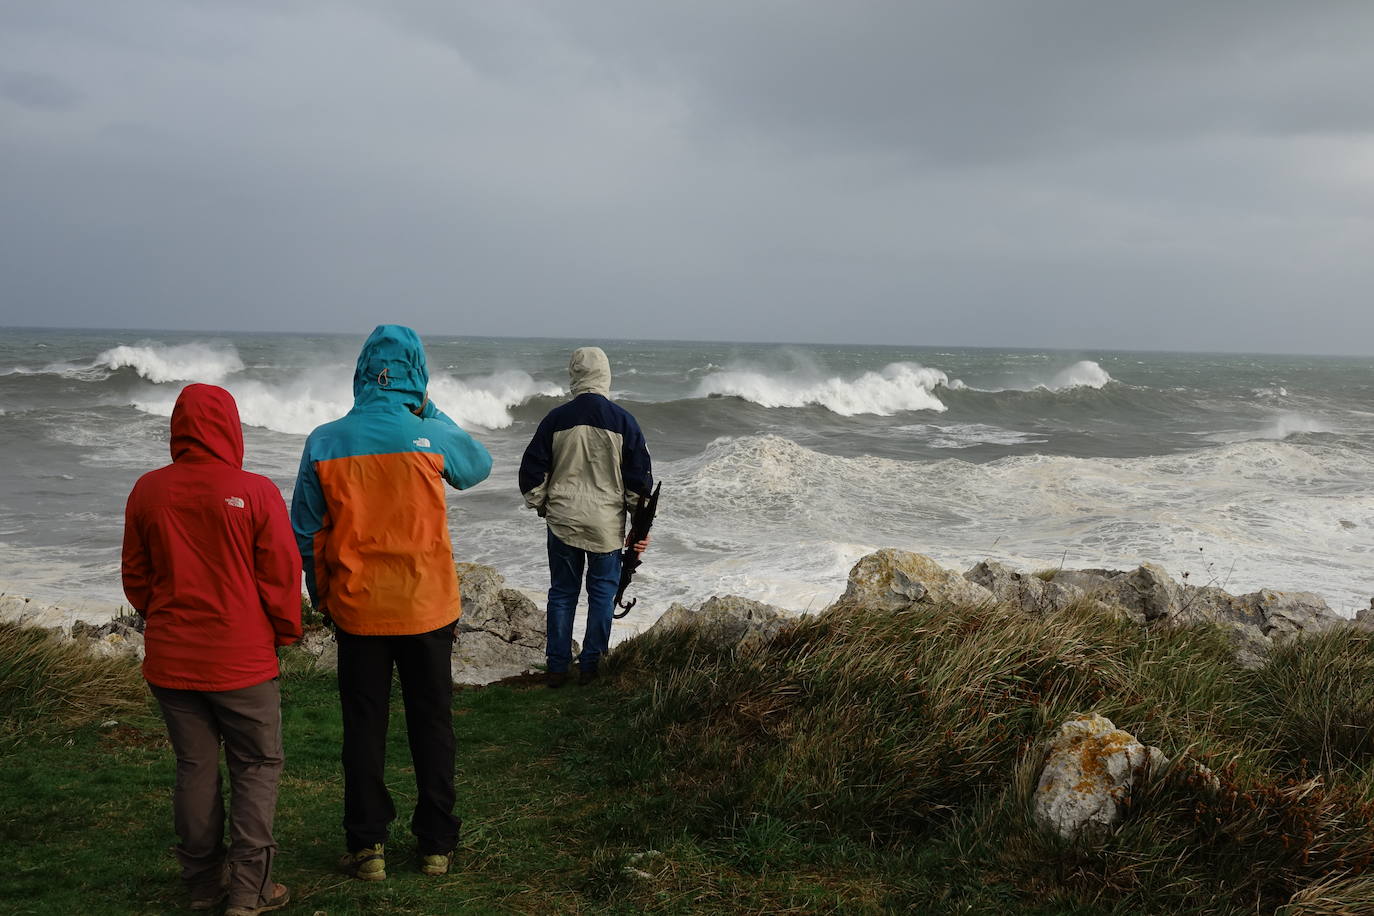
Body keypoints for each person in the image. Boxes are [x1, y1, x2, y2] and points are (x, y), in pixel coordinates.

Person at [291, 325, 492, 882]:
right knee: (433, 725)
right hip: (428, 607)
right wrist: (428, 408)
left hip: (358, 609)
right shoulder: (427, 434)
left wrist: (324, 596)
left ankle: (367, 847)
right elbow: (477, 467)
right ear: (417, 374)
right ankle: (435, 847)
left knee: (364, 728)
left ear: (360, 373)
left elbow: (305, 532)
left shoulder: (325, 440)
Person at [122, 383, 301, 916]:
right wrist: (284, 631)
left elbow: (136, 576)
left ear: (179, 428)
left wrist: (162, 614)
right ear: (230, 426)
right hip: (242, 658)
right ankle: (249, 893)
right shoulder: (255, 490)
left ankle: (202, 885)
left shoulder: (147, 491)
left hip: (173, 659)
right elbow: (282, 573)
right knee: (256, 765)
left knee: (194, 766)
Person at [518, 346, 654, 688]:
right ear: (606, 376)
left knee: (562, 593)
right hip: (606, 526)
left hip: (564, 522)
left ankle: (557, 668)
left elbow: (530, 475)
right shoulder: (624, 421)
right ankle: (591, 666)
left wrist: (546, 507)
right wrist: (637, 528)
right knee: (602, 595)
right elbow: (640, 485)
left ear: (574, 375)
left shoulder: (555, 419)